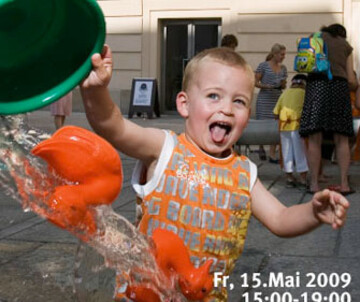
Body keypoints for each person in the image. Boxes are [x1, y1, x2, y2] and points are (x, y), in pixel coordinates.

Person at [80, 45, 349, 302]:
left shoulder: (244, 173)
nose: (227, 108)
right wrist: (96, 92)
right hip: (145, 294)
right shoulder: (164, 149)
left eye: (239, 101)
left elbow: (280, 219)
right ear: (184, 104)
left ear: (248, 114)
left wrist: (313, 213)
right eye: (213, 96)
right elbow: (113, 126)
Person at [299, 24, 357, 195]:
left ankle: (314, 184)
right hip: (339, 88)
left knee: (315, 138)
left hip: (316, 86)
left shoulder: (315, 37)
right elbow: (351, 78)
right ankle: (345, 184)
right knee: (342, 138)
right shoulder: (345, 46)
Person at [273, 74, 308, 187]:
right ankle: (303, 178)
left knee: (287, 151)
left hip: (284, 126)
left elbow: (275, 113)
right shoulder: (304, 93)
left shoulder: (285, 93)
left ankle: (289, 177)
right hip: (298, 125)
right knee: (301, 152)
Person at [255, 43, 288, 163]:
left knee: (275, 125)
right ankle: (261, 147)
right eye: (281, 54)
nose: (283, 57)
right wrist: (266, 86)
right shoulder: (263, 66)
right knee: (262, 124)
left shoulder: (283, 68)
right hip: (265, 98)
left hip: (277, 98)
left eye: (284, 54)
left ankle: (272, 154)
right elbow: (255, 81)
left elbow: (284, 84)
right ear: (274, 54)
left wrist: (281, 84)